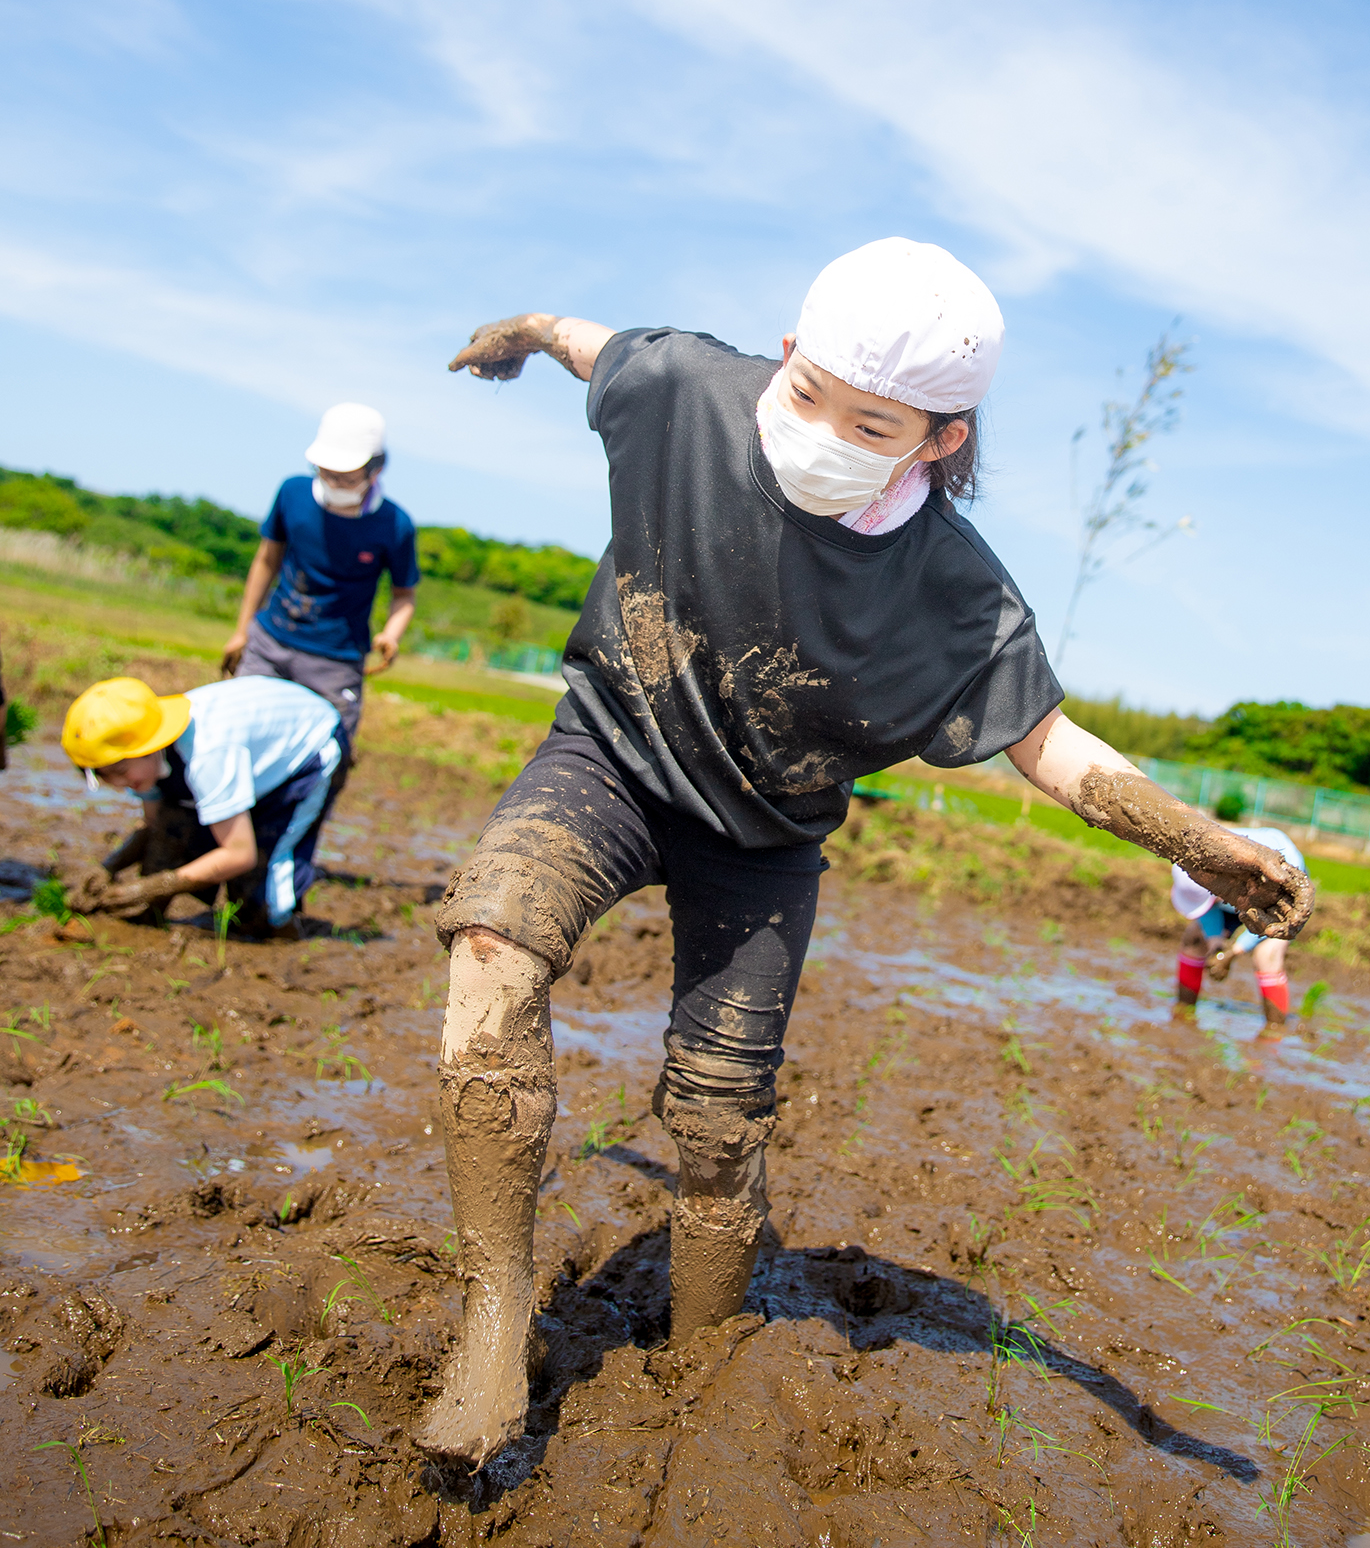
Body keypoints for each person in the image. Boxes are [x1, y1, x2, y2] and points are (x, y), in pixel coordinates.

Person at [417, 238, 1313, 1467]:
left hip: (765, 837)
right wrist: (512, 336)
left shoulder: (953, 586)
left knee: (722, 1119)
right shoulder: (684, 388)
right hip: (612, 753)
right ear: (786, 357)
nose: (823, 432)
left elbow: (1043, 741)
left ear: (940, 439)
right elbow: (582, 333)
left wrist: (1191, 837)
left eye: (872, 423)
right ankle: (491, 1315)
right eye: (808, 395)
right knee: (492, 943)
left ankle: (703, 1356)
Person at [60, 674, 347, 935]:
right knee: (169, 832)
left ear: (148, 747)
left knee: (262, 908)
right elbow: (153, 825)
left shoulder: (207, 756)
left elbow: (239, 853)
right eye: (109, 779)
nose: (121, 785)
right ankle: (151, 917)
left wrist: (152, 887)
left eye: (122, 774)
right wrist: (108, 867)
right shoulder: (148, 759)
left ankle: (286, 929)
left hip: (308, 749)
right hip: (246, 751)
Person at [221, 402, 419, 759]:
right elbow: (267, 561)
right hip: (271, 642)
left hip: (336, 661)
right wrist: (242, 629)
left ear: (376, 469)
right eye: (325, 472)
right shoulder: (292, 494)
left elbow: (404, 595)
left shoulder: (394, 525)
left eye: (345, 477)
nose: (333, 483)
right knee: (237, 739)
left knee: (326, 757)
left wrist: (391, 633)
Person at [1172, 816, 1310, 1022]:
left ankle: (1275, 1030)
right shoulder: (1204, 856)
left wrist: (1235, 951)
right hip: (1233, 900)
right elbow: (1206, 908)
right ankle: (1183, 1014)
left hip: (1278, 904)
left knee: (1267, 956)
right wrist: (1214, 940)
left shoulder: (1279, 868)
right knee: (1195, 938)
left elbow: (1276, 918)